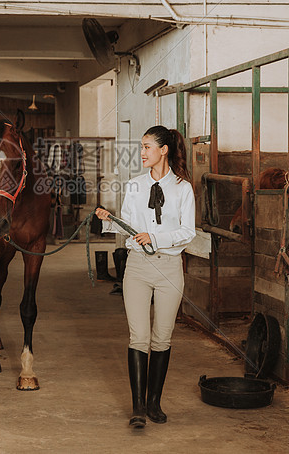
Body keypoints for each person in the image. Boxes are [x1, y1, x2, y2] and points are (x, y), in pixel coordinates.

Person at [95, 125, 196, 429]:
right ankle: (138, 406)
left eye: (148, 147)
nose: (142, 153)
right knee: (138, 336)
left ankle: (155, 403)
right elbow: (129, 228)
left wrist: (153, 236)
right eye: (141, 147)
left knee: (161, 338)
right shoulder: (135, 185)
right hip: (137, 267)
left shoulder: (183, 188)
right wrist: (110, 221)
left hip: (168, 268)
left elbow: (188, 232)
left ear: (164, 150)